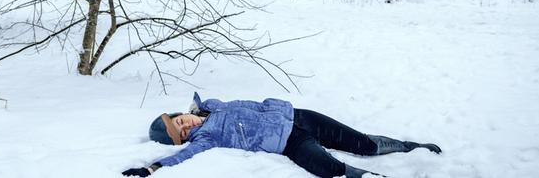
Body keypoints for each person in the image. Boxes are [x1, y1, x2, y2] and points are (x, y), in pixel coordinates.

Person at [122, 92, 441, 178]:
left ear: (181, 114)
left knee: (366, 145)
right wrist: (153, 167)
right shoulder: (205, 138)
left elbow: (255, 103)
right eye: (181, 133)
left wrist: (277, 108)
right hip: (291, 142)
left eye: (180, 121)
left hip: (301, 117)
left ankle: (411, 147)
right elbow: (183, 156)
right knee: (327, 168)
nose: (186, 126)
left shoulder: (215, 105)